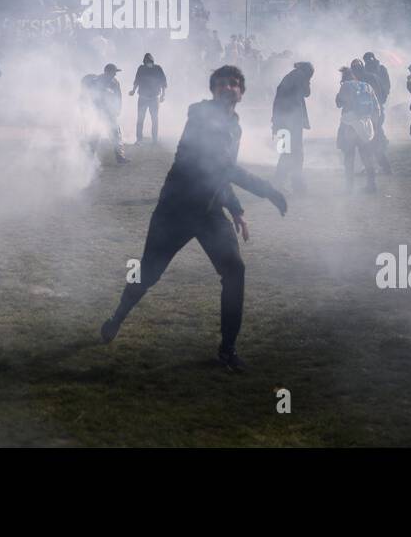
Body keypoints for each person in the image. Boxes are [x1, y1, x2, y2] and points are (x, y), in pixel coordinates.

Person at [99, 65, 287, 372]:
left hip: (209, 211)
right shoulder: (200, 114)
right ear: (213, 89)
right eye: (223, 83)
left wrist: (236, 209)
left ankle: (227, 351)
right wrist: (266, 189)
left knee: (235, 271)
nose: (230, 87)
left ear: (242, 92)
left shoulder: (235, 125)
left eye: (236, 83)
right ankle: (117, 317)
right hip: (175, 209)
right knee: (148, 272)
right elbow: (218, 165)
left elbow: (220, 174)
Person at [336, 63, 382, 191]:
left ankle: (349, 187)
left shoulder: (345, 86)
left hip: (349, 125)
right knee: (366, 156)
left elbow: (339, 103)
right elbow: (377, 108)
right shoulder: (367, 86)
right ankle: (372, 185)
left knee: (349, 156)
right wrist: (375, 126)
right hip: (366, 125)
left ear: (344, 77)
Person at [271, 61, 314, 192]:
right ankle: (296, 184)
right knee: (295, 152)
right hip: (292, 120)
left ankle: (281, 183)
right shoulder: (300, 76)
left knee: (285, 151)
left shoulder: (290, 76)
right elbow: (307, 93)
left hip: (282, 119)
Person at [82, 63, 129, 165]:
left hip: (111, 113)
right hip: (99, 112)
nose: (114, 74)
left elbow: (118, 96)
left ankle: (120, 158)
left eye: (115, 72)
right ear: (107, 72)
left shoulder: (115, 82)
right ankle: (89, 157)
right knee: (95, 135)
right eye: (113, 72)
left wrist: (118, 109)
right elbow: (88, 92)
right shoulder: (97, 81)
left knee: (116, 136)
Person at [362, 52, 392, 173]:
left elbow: (386, 85)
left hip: (376, 105)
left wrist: (382, 97)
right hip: (368, 107)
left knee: (374, 135)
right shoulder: (365, 71)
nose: (369, 61)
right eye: (367, 60)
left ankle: (381, 164)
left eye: (370, 59)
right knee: (373, 134)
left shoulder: (380, 70)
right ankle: (377, 162)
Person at [130, 52, 167, 144]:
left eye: (150, 61)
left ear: (153, 61)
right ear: (144, 62)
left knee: (154, 119)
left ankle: (155, 139)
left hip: (154, 98)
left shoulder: (158, 69)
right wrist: (133, 90)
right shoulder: (141, 69)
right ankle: (139, 139)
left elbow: (163, 82)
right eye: (147, 62)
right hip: (143, 97)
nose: (148, 63)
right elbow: (137, 80)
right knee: (140, 118)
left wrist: (163, 95)